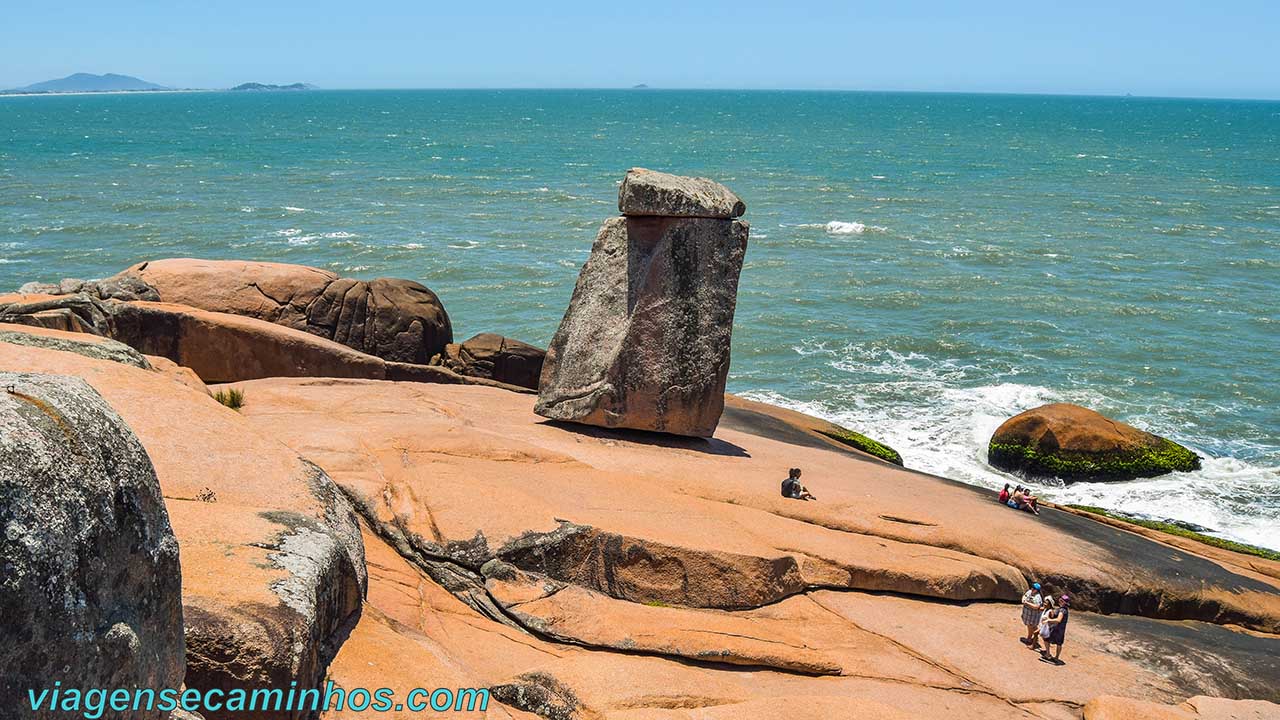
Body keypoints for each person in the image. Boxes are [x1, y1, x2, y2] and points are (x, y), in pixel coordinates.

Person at [1040, 595, 1070, 664]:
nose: (1060, 601)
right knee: (1059, 643)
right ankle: (1056, 657)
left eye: (1061, 601)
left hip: (1056, 629)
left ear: (1064, 602)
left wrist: (1048, 620)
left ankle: (1048, 654)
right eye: (1060, 600)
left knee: (1046, 639)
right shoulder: (1063, 609)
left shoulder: (1062, 610)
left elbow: (1058, 620)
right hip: (1060, 629)